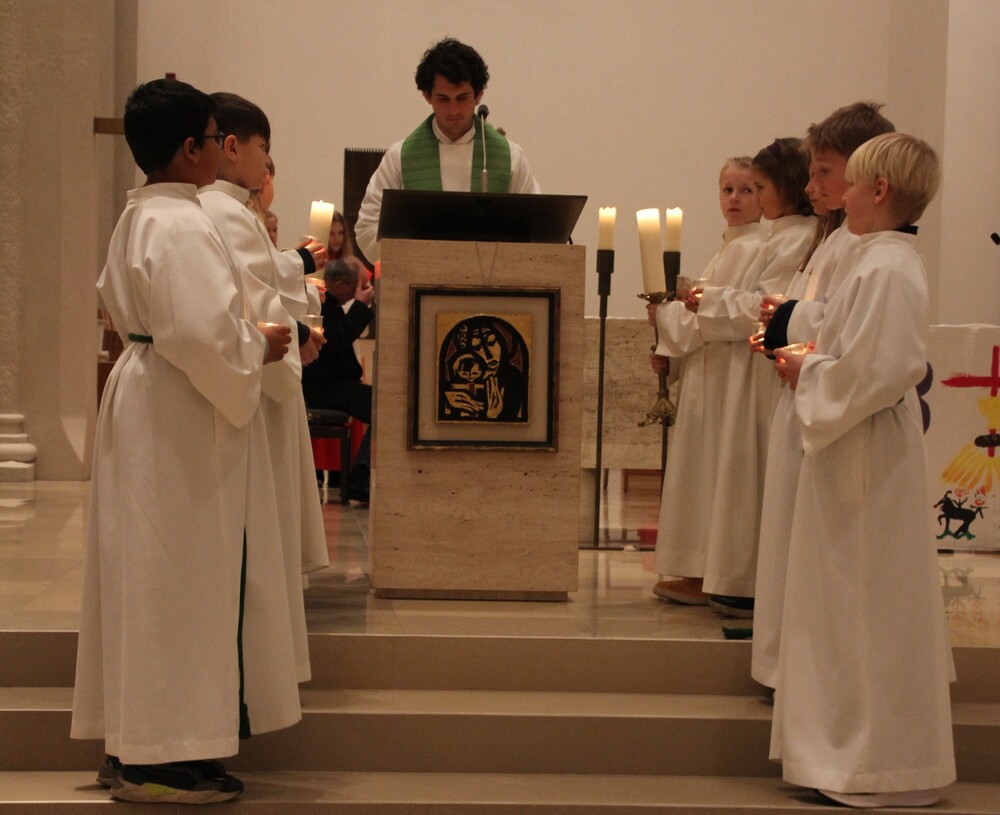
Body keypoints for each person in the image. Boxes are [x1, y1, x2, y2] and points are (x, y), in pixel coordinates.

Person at [70, 77, 296, 804]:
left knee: (153, 579)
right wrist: (259, 345)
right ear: (189, 150)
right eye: (210, 139)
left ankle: (141, 744)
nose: (219, 152)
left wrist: (239, 340)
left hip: (153, 397)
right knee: (176, 583)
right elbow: (200, 335)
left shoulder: (142, 213)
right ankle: (157, 761)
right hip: (178, 413)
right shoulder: (180, 225)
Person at [771, 132, 954, 807]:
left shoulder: (888, 268)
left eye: (849, 183)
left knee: (862, 605)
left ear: (879, 190)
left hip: (868, 450)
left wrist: (807, 369)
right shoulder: (875, 260)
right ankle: (841, 755)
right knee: (843, 604)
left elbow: (881, 370)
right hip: (854, 442)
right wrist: (814, 357)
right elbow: (854, 350)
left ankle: (870, 766)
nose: (839, 195)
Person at [751, 102, 895, 691]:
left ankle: (800, 672)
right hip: (805, 396)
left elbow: (852, 337)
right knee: (789, 537)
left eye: (825, 173)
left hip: (828, 408)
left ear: (868, 176)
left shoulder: (873, 253)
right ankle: (784, 664)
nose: (812, 186)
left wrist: (788, 325)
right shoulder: (837, 240)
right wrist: (784, 324)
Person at [198, 91, 330, 686]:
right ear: (232, 147)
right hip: (255, 372)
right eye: (263, 149)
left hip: (257, 364)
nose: (267, 163)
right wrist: (298, 328)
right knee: (261, 522)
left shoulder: (226, 208)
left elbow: (260, 280)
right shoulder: (224, 209)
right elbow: (254, 296)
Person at [656, 138, 814, 611]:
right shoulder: (776, 237)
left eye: (758, 187)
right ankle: (715, 571)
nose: (751, 198)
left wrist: (699, 304)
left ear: (785, 187)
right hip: (731, 371)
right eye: (735, 188)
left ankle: (735, 577)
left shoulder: (792, 239)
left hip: (752, 374)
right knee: (725, 476)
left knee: (741, 477)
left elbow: (762, 309)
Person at [647, 158, 767, 607]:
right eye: (727, 189)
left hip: (727, 379)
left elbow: (719, 318)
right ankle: (698, 570)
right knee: (701, 473)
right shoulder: (728, 248)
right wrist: (671, 353)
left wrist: (667, 318)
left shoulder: (754, 247)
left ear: (763, 196)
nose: (734, 198)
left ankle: (710, 573)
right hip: (708, 375)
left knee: (713, 473)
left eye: (746, 190)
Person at [355, 37, 540, 260]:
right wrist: (417, 253)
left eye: (462, 98)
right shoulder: (400, 157)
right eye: (443, 99)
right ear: (427, 96)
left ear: (478, 94)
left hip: (491, 279)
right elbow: (367, 228)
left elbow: (536, 230)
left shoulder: (510, 157)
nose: (454, 110)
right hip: (421, 276)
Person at [301, 257, 375, 502]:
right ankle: (360, 475)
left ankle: (358, 472)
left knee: (381, 403)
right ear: (341, 285)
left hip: (334, 385)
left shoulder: (330, 305)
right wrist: (361, 305)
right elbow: (339, 339)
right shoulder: (322, 305)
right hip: (324, 387)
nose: (358, 292)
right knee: (382, 406)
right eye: (357, 286)